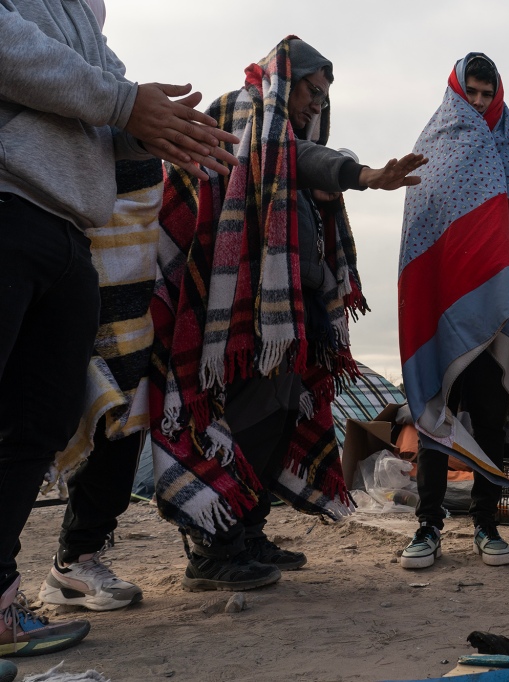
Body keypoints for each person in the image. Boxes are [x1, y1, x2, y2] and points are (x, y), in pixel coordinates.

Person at [0, 0, 238, 662]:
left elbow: (106, 104)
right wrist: (123, 101)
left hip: (70, 222)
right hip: (6, 201)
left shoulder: (82, 11)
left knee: (37, 424)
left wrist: (155, 127)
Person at [151, 36, 425, 592]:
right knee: (236, 421)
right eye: (310, 91)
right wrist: (362, 174)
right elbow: (289, 158)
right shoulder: (241, 112)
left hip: (282, 323)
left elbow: (297, 170)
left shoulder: (285, 141)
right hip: (231, 318)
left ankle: (247, 528)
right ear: (284, 78)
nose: (316, 105)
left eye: (323, 97)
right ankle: (211, 547)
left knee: (274, 416)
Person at [398, 53, 509, 569]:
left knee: (491, 418)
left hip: (498, 313)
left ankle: (485, 523)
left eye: (486, 94)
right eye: (471, 93)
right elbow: (421, 232)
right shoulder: (431, 145)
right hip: (444, 311)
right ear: (456, 91)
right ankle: (428, 526)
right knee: (436, 414)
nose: (478, 104)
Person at [36, 0, 151, 615]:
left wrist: (147, 123)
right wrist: (129, 108)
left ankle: (74, 559)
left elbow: (118, 126)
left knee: (113, 416)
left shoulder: (97, 50)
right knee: (44, 415)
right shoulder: (29, 29)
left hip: (99, 260)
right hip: (35, 229)